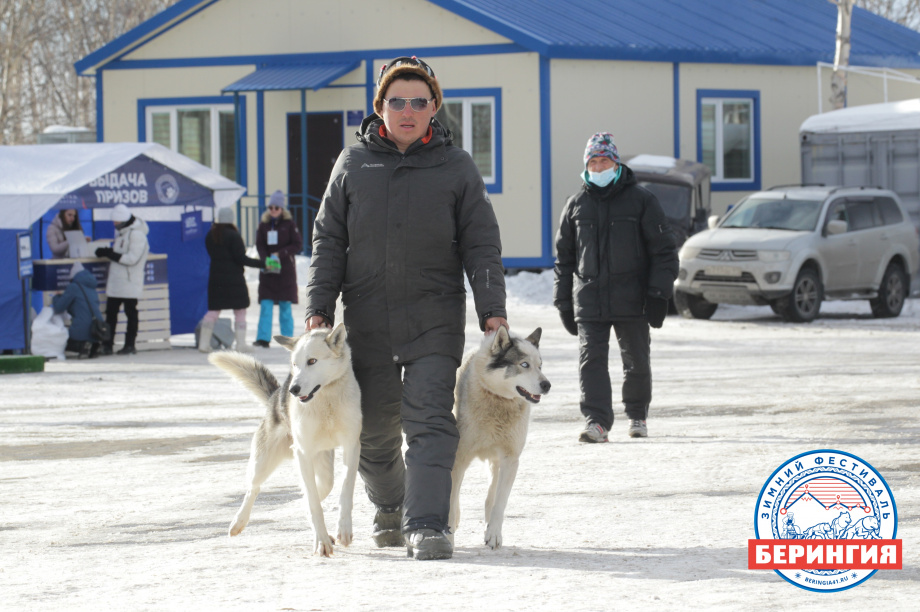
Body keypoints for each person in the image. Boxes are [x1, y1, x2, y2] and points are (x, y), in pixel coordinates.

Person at [304, 56, 507, 561]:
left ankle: (428, 524)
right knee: (372, 427)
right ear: (380, 106)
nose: (409, 110)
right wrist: (318, 308)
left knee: (431, 420)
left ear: (434, 106)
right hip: (368, 318)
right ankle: (391, 505)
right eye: (398, 101)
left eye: (420, 101)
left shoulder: (456, 167)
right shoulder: (352, 164)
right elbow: (328, 239)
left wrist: (492, 310)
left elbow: (481, 243)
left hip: (434, 318)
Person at [553, 132, 678, 442]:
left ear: (616, 163)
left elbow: (664, 252)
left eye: (604, 160)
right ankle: (596, 421)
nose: (598, 167)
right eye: (593, 162)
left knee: (636, 361)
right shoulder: (576, 205)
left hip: (632, 299)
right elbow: (563, 260)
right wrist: (563, 302)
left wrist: (658, 293)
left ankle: (637, 415)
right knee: (590, 363)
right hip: (590, 300)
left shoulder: (642, 201)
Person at [198, 206, 266, 353]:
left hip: (216, 279)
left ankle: (203, 344)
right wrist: (263, 264)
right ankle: (240, 344)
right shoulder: (233, 236)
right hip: (234, 279)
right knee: (240, 311)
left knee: (213, 312)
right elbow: (241, 258)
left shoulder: (211, 235)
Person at [95, 203, 149, 356]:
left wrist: (110, 254)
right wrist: (109, 251)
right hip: (117, 281)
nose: (114, 224)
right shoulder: (121, 234)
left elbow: (132, 259)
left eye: (116, 222)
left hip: (130, 282)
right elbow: (121, 254)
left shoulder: (137, 235)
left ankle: (130, 344)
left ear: (124, 221)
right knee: (111, 314)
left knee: (130, 313)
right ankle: (107, 344)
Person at [253, 190, 302, 348]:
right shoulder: (263, 225)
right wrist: (265, 258)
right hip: (268, 271)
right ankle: (262, 338)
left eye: (276, 207)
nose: (273, 210)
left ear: (282, 209)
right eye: (271, 207)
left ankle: (288, 340)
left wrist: (280, 254)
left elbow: (297, 244)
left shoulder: (289, 224)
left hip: (285, 272)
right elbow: (259, 244)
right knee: (266, 305)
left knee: (285, 307)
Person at [51, 263, 103, 359]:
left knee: (61, 341)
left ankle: (83, 345)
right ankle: (94, 345)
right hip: (98, 330)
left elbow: (59, 307)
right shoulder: (92, 287)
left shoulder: (73, 287)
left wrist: (57, 296)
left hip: (83, 330)